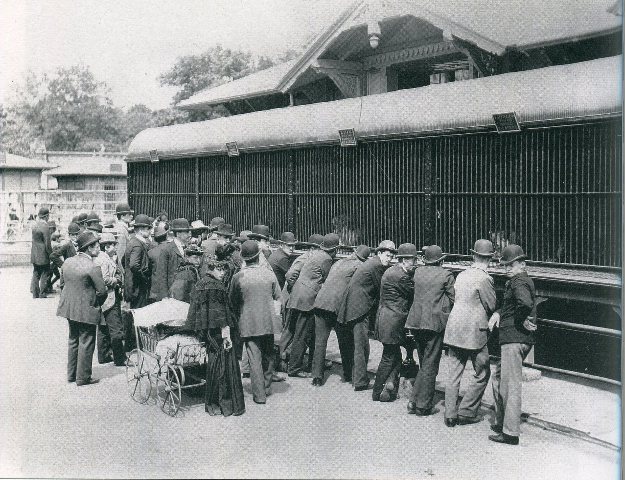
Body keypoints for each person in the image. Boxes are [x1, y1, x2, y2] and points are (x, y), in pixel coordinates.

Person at [443, 239, 497, 427]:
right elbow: (490, 304)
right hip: (475, 333)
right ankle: (466, 410)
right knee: (483, 371)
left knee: (454, 373)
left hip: (455, 328)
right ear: (490, 258)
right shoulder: (485, 278)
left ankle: (450, 415)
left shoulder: (461, 275)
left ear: (474, 255)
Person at [488, 245, 537, 446]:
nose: (507, 268)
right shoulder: (517, 281)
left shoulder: (519, 281)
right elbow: (513, 304)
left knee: (510, 384)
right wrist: (500, 312)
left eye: (511, 264)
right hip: (513, 338)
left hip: (514, 338)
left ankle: (510, 433)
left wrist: (519, 320)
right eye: (505, 265)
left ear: (522, 264)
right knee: (499, 377)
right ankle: (502, 422)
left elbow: (524, 304)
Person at [186, 255, 245, 416]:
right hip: (218, 333)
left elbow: (196, 312)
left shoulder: (201, 283)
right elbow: (220, 316)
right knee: (224, 365)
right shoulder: (216, 287)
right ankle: (223, 403)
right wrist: (226, 336)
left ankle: (212, 403)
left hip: (207, 332)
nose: (223, 272)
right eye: (220, 269)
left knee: (213, 364)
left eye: (224, 269)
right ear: (212, 269)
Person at [337, 240, 396, 391]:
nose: (389, 259)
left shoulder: (371, 263)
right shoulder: (377, 266)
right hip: (359, 309)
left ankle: (353, 375)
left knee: (356, 344)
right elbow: (381, 290)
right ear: (380, 253)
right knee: (361, 345)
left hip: (353, 306)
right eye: (387, 255)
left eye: (391, 257)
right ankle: (360, 381)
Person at [405, 245, 455, 416]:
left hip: (415, 322)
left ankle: (413, 401)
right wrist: (443, 311)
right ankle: (423, 406)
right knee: (431, 364)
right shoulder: (446, 275)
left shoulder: (417, 272)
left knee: (424, 363)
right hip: (434, 324)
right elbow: (452, 297)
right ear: (441, 261)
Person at [229, 240, 281, 404]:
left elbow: (232, 301)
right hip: (268, 322)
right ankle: (266, 387)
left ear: (244, 258)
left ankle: (259, 395)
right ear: (259, 257)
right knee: (268, 355)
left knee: (254, 358)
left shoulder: (238, 277)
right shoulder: (269, 274)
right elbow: (278, 297)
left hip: (248, 323)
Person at [311, 244, 370, 385]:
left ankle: (317, 377)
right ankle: (348, 374)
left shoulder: (338, 262)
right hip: (336, 307)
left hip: (320, 302)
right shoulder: (359, 267)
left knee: (320, 342)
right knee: (345, 341)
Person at [56, 231, 107, 386]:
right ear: (89, 248)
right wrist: (94, 302)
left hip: (68, 307)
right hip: (86, 309)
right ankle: (83, 377)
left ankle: (71, 375)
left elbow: (63, 284)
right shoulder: (93, 267)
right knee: (87, 340)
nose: (99, 249)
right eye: (97, 246)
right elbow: (102, 291)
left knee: (73, 339)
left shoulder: (68, 262)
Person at [287, 233, 340, 378]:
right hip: (308, 299)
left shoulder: (317, 254)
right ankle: (294, 368)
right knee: (302, 335)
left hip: (300, 294)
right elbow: (328, 280)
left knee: (307, 333)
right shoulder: (327, 259)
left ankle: (313, 363)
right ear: (335, 249)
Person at [372, 243, 418, 402]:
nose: (415, 263)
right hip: (393, 321)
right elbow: (414, 293)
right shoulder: (401, 276)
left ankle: (390, 385)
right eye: (413, 260)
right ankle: (377, 392)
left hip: (385, 318)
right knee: (388, 357)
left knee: (395, 355)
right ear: (405, 260)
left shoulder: (391, 271)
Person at [93, 233, 126, 366]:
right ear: (106, 246)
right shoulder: (104, 260)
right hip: (110, 296)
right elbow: (105, 279)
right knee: (116, 328)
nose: (114, 247)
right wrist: (117, 280)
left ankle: (104, 355)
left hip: (104, 297)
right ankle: (119, 358)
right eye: (112, 244)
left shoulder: (105, 257)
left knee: (103, 327)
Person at [123, 214, 153, 350]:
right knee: (138, 315)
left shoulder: (132, 241)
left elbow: (124, 260)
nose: (150, 231)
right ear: (141, 229)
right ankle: (136, 344)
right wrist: (144, 277)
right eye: (148, 228)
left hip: (132, 285)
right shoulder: (138, 244)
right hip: (138, 287)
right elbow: (134, 265)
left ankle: (131, 344)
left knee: (133, 314)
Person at [30, 207, 52, 299]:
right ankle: (42, 293)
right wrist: (51, 254)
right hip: (43, 253)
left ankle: (35, 293)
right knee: (45, 272)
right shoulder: (45, 226)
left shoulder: (34, 225)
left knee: (36, 272)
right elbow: (47, 242)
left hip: (34, 252)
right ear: (46, 216)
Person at [148, 225, 170, 302]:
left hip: (155, 291)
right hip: (170, 290)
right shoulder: (172, 249)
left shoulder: (151, 253)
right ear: (167, 235)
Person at [113, 203, 133, 269]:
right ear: (122, 216)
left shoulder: (121, 228)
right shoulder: (121, 230)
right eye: (129, 214)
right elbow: (120, 253)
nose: (131, 216)